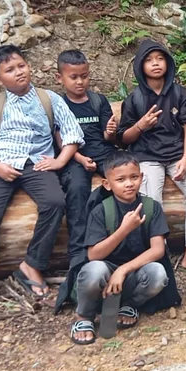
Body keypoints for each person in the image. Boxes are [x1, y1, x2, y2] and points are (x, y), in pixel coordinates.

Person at [0, 45, 84, 313]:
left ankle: (32, 265)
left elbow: (72, 133)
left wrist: (59, 161)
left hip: (36, 164)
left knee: (54, 202)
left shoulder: (48, 99)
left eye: (21, 66)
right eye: (10, 70)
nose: (19, 73)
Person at [117, 39, 186, 275]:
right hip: (147, 157)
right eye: (148, 60)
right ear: (140, 66)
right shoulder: (135, 99)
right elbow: (125, 137)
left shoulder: (179, 93)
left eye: (160, 59)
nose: (155, 64)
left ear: (168, 63)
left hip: (177, 155)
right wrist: (141, 125)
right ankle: (159, 254)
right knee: (151, 202)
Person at [65, 151, 176, 344]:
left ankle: (129, 304)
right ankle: (84, 316)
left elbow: (157, 250)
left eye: (134, 177)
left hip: (133, 273)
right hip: (105, 274)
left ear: (141, 178)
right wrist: (123, 230)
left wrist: (123, 270)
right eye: (121, 179)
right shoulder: (101, 210)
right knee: (94, 270)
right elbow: (94, 255)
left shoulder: (151, 207)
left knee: (158, 273)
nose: (129, 183)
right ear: (107, 184)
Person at [54, 49, 118, 277]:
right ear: (59, 78)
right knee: (77, 190)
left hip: (102, 152)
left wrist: (111, 131)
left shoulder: (98, 100)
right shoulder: (58, 104)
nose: (80, 82)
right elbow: (59, 138)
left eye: (85, 76)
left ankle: (122, 244)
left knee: (121, 181)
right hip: (73, 156)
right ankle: (79, 255)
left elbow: (108, 137)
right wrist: (80, 158)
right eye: (74, 77)